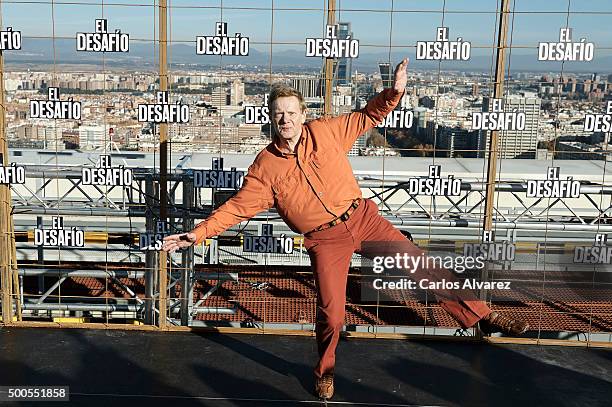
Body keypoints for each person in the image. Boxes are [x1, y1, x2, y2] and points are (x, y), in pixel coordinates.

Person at [162, 58, 529, 400]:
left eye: (291, 112)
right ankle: (324, 370)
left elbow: (370, 113)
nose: (286, 119)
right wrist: (196, 234)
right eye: (279, 114)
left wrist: (395, 91)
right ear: (271, 119)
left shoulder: (327, 131)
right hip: (325, 239)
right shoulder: (265, 166)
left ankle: (483, 314)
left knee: (420, 265)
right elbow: (237, 208)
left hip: (362, 218)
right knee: (332, 313)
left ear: (303, 115)